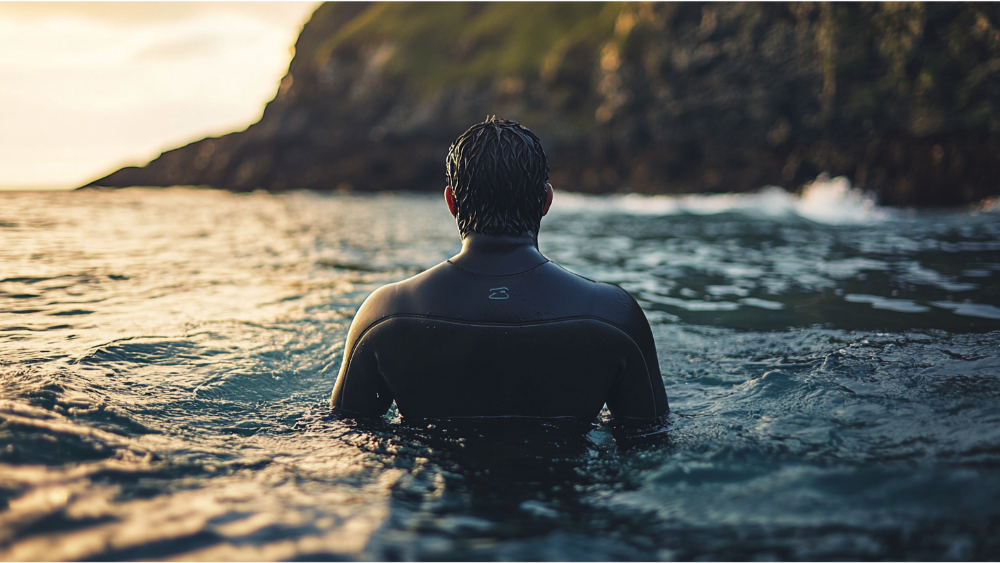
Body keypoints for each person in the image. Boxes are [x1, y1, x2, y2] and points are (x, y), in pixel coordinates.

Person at [330, 117, 669, 422]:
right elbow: (651, 447)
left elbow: (341, 435)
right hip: (563, 489)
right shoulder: (613, 315)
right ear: (546, 201)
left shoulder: (386, 313)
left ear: (451, 202)